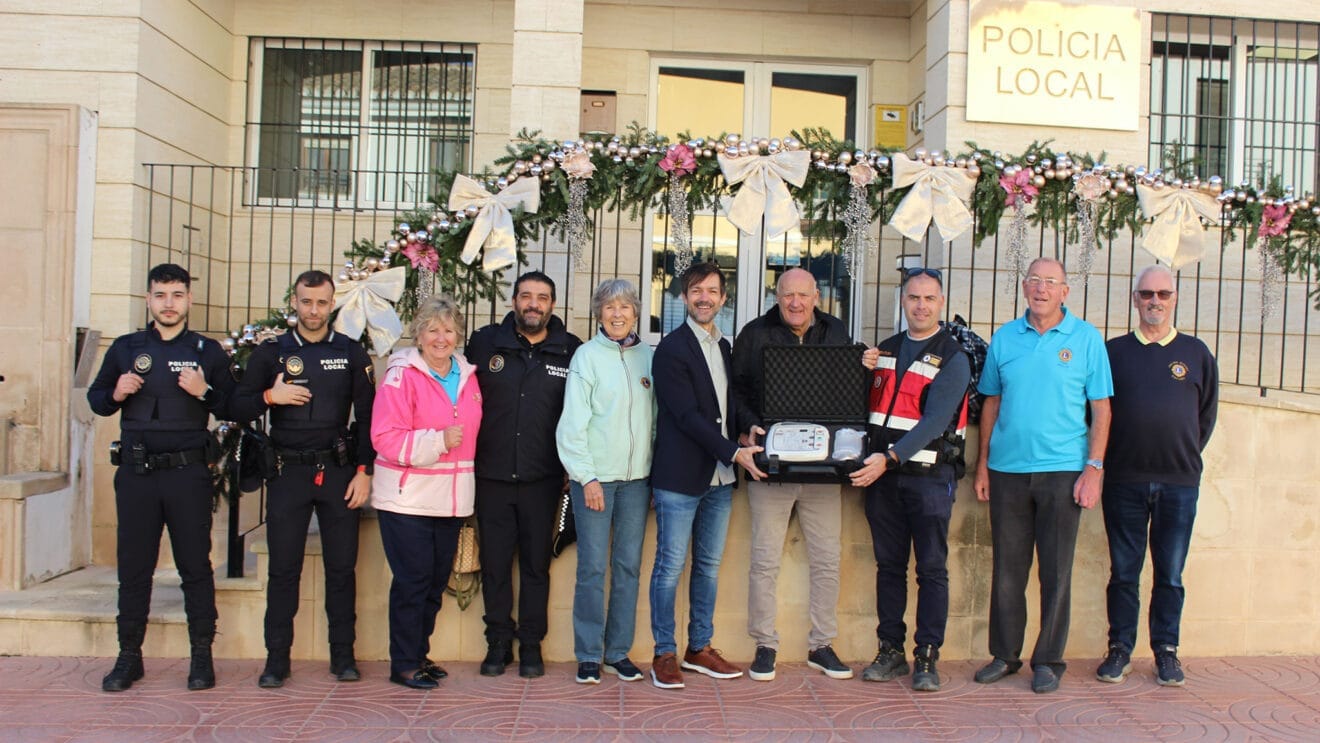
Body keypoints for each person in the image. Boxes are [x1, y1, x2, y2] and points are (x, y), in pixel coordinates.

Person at [87, 263, 234, 692]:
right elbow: (98, 400)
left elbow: (231, 406)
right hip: (137, 473)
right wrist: (117, 393)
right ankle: (128, 657)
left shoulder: (207, 352)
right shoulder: (126, 348)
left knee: (195, 567)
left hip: (188, 474)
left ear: (189, 299)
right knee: (134, 569)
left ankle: (201, 659)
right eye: (160, 295)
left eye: (176, 295)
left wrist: (202, 391)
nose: (168, 303)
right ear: (148, 300)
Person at [972, 257, 1113, 694]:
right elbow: (990, 404)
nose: (1041, 288)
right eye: (1034, 280)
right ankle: (1005, 655)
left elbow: (1102, 409)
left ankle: (1049, 659)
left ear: (1064, 292)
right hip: (1007, 471)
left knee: (1056, 571)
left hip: (1063, 471)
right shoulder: (1005, 337)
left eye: (1051, 282)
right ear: (1025, 287)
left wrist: (1094, 469)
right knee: (1008, 570)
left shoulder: (1087, 340)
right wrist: (982, 465)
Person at [231, 270, 375, 688]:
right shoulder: (271, 352)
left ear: (333, 304)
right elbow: (236, 406)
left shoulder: (350, 352)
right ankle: (277, 660)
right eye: (306, 302)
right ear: (294, 302)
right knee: (283, 571)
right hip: (287, 473)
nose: (313, 311)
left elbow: (368, 418)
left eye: (322, 303)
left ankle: (343, 657)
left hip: (338, 472)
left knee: (341, 570)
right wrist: (268, 397)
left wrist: (364, 472)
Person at [1096, 265, 1218, 687]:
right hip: (1124, 480)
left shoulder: (1197, 352)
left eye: (1163, 294)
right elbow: (1097, 412)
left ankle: (1166, 651)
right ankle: (1119, 651)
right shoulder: (1113, 352)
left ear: (1174, 298)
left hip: (1179, 483)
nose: (1155, 301)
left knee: (1169, 573)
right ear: (1135, 299)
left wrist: (1179, 454)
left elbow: (1205, 417)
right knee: (1124, 572)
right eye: (1147, 293)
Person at [730, 267, 854, 682]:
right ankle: (764, 645)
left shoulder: (836, 332)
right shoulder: (754, 333)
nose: (795, 303)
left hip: (823, 470)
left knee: (827, 560)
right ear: (777, 296)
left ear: (816, 296)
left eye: (803, 295)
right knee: (764, 560)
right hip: (771, 467)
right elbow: (737, 390)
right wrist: (748, 426)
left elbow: (849, 388)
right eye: (787, 296)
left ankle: (822, 644)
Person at [850, 267, 970, 692]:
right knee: (889, 567)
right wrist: (863, 367)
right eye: (914, 297)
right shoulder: (885, 349)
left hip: (928, 478)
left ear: (940, 303)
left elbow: (936, 420)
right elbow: (865, 403)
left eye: (929, 298)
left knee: (932, 569)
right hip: (883, 479)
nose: (921, 305)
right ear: (904, 301)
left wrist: (892, 456)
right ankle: (890, 650)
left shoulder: (954, 357)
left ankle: (927, 655)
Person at [648, 262, 766, 690]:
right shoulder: (672, 349)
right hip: (680, 477)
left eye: (712, 291)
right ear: (684, 297)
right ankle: (664, 652)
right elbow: (686, 416)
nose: (704, 298)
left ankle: (699, 648)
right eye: (696, 290)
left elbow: (726, 405)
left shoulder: (724, 346)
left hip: (719, 479)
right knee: (669, 567)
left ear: (723, 298)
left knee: (709, 568)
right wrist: (733, 451)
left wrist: (743, 429)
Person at [465, 270, 582, 678]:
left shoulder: (571, 350)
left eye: (543, 297)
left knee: (535, 567)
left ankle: (531, 645)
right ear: (514, 300)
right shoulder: (483, 344)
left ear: (553, 304)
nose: (534, 303)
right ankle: (498, 643)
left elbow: (584, 414)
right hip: (492, 476)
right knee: (496, 566)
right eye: (526, 296)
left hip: (544, 479)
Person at [369, 295, 482, 689]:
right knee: (413, 582)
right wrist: (436, 441)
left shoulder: (467, 376)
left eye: (449, 330)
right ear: (418, 334)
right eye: (433, 329)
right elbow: (383, 435)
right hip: (407, 498)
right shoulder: (402, 374)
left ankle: (419, 654)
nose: (441, 337)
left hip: (449, 500)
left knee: (434, 585)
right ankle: (402, 662)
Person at [555, 279, 655, 685]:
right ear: (599, 313)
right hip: (595, 480)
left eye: (625, 307)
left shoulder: (648, 357)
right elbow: (572, 425)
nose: (617, 314)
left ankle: (617, 652)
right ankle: (588, 654)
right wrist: (586, 477)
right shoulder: (586, 357)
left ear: (635, 313)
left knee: (628, 567)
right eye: (609, 307)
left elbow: (656, 422)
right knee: (593, 568)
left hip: (637, 482)